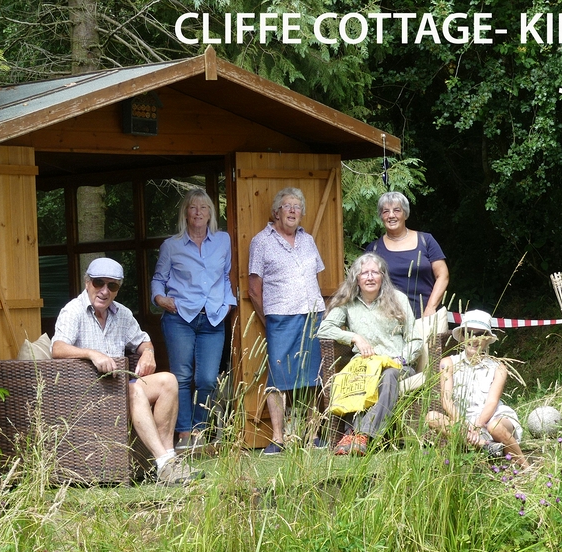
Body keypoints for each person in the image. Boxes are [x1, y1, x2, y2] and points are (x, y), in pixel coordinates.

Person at [51, 257, 199, 485]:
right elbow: (57, 348)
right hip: (86, 395)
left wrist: (148, 352)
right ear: (87, 282)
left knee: (169, 381)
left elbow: (143, 341)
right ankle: (164, 462)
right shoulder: (73, 311)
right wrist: (92, 353)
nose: (104, 291)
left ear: (118, 290)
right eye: (99, 283)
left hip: (117, 388)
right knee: (134, 391)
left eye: (112, 286)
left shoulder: (122, 314)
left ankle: (169, 462)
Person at [152, 188, 236, 450]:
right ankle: (184, 434)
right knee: (182, 376)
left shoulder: (223, 241)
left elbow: (225, 276)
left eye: (204, 208)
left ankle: (200, 431)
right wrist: (159, 299)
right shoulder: (172, 245)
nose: (198, 212)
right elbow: (158, 279)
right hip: (180, 318)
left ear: (211, 213)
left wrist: (228, 303)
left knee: (209, 379)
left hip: (212, 318)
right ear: (185, 214)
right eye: (193, 208)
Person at [319, 253, 422, 456]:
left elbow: (416, 340)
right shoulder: (348, 303)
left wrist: (399, 360)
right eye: (364, 273)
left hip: (396, 366)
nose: (369, 277)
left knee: (389, 375)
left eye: (375, 272)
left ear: (383, 276)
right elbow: (324, 329)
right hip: (364, 367)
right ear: (356, 278)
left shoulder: (398, 299)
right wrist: (354, 337)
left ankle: (361, 434)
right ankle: (357, 437)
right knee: (353, 377)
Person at [248, 187, 325, 454]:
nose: (293, 211)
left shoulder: (308, 240)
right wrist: (268, 318)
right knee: (278, 377)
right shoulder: (261, 241)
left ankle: (312, 434)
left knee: (314, 374)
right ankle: (279, 438)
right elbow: (254, 289)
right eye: (287, 206)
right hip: (280, 317)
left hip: (313, 315)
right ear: (276, 212)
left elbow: (315, 278)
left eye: (297, 207)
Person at [426, 309, 528, 467]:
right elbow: (446, 400)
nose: (473, 339)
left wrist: (477, 426)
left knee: (495, 426)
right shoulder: (448, 363)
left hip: (492, 419)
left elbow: (492, 402)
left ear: (487, 339)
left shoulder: (498, 368)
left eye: (479, 334)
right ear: (461, 336)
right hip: (462, 424)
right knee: (432, 417)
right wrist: (465, 426)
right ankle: (485, 446)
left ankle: (526, 467)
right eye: (468, 333)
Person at [364, 191, 449, 320]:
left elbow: (443, 275)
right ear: (381, 216)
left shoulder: (426, 241)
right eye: (386, 211)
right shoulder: (373, 249)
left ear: (405, 213)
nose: (391, 215)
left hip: (426, 318)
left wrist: (430, 308)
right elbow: (365, 284)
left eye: (397, 210)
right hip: (388, 321)